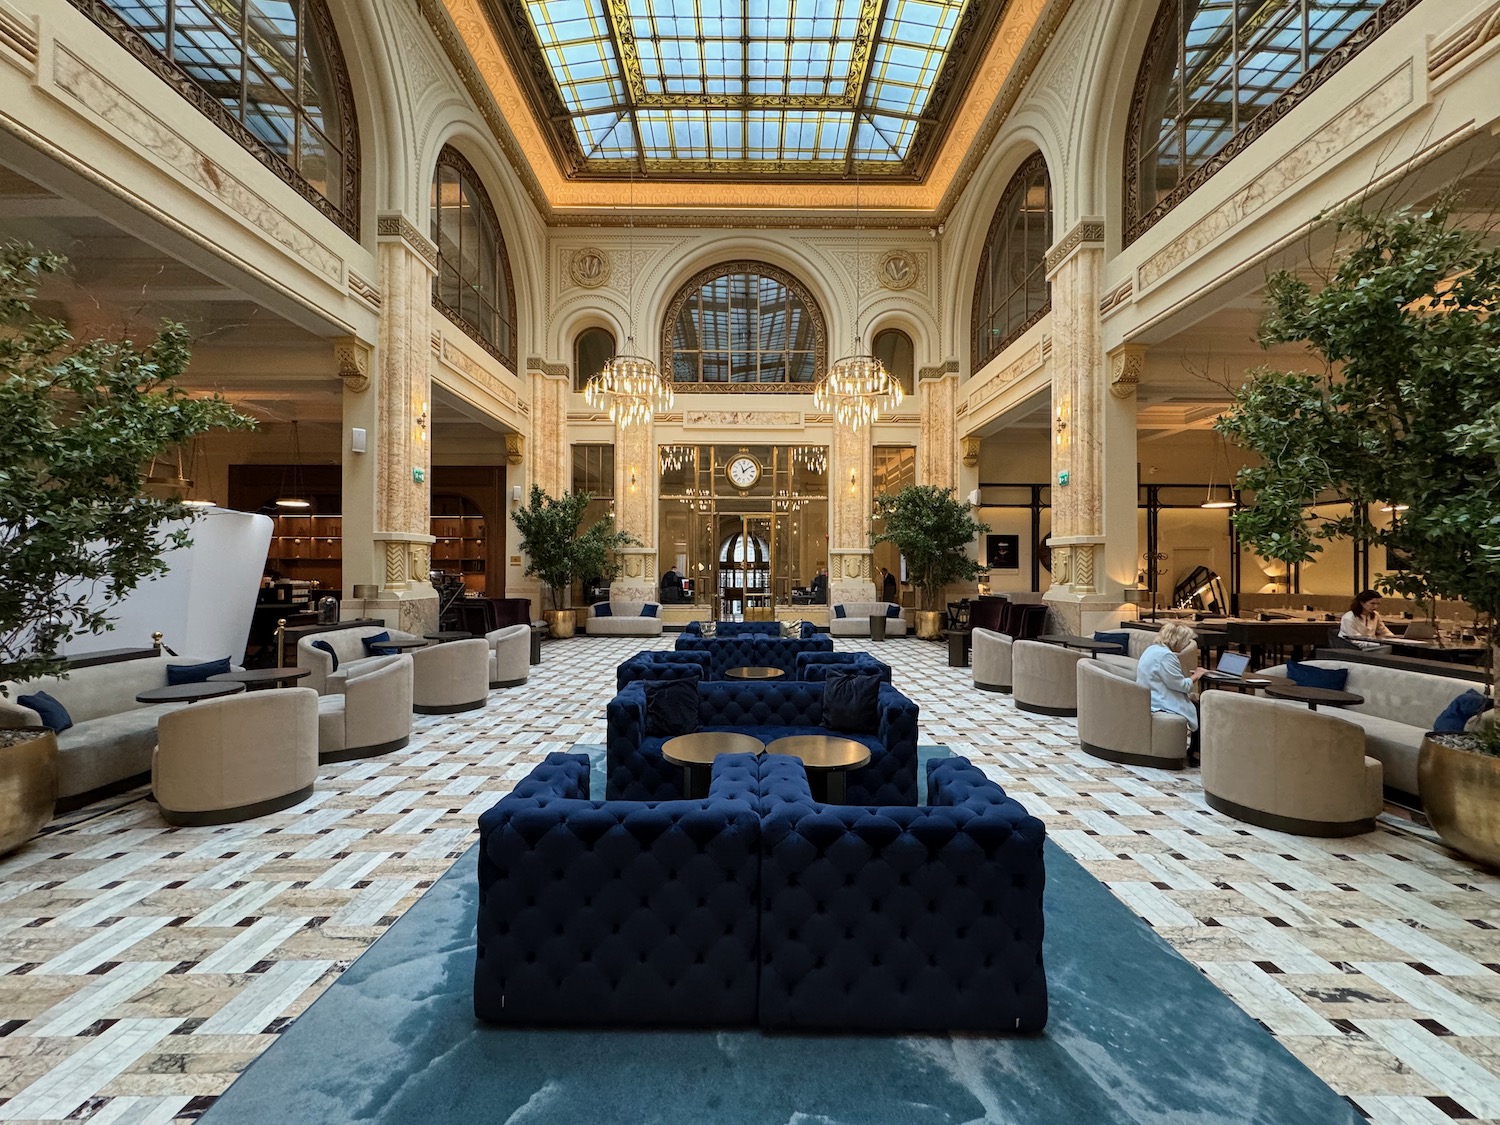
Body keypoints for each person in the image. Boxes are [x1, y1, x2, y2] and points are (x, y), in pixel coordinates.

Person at [1136, 621, 1206, 754]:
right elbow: (1181, 685)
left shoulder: (1152, 649)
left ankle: (1195, 751)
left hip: (1151, 696)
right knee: (1201, 710)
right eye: (1186, 641)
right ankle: (1196, 752)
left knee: (1195, 704)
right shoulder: (1166, 656)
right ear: (1178, 640)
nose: (1186, 645)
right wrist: (1197, 675)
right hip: (1161, 701)